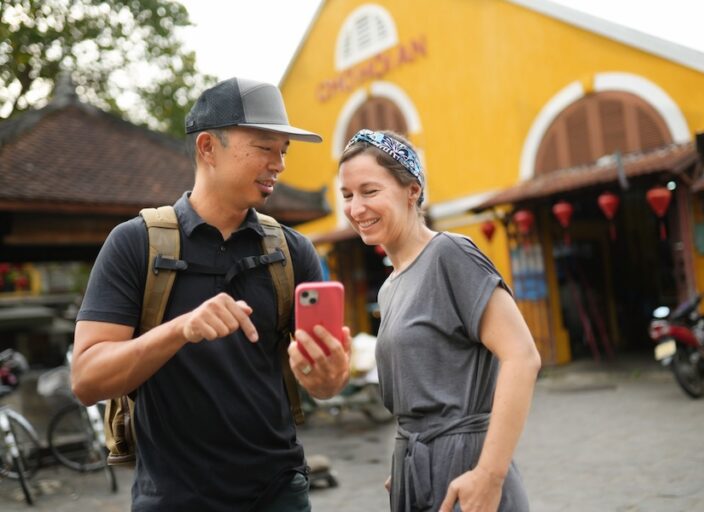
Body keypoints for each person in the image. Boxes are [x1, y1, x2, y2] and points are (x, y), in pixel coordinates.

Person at [71, 77, 351, 511]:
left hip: (278, 492)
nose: (278, 164)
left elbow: (325, 386)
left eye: (283, 151)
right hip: (171, 498)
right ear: (207, 147)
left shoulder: (292, 251)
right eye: (264, 147)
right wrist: (180, 329)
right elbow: (87, 380)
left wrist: (327, 376)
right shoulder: (135, 244)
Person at [338, 129, 541, 512]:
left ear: (412, 190)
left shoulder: (450, 255)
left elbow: (522, 356)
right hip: (416, 471)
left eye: (369, 191)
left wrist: (489, 475)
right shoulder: (390, 287)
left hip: (467, 469)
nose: (356, 208)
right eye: (347, 196)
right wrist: (411, 462)